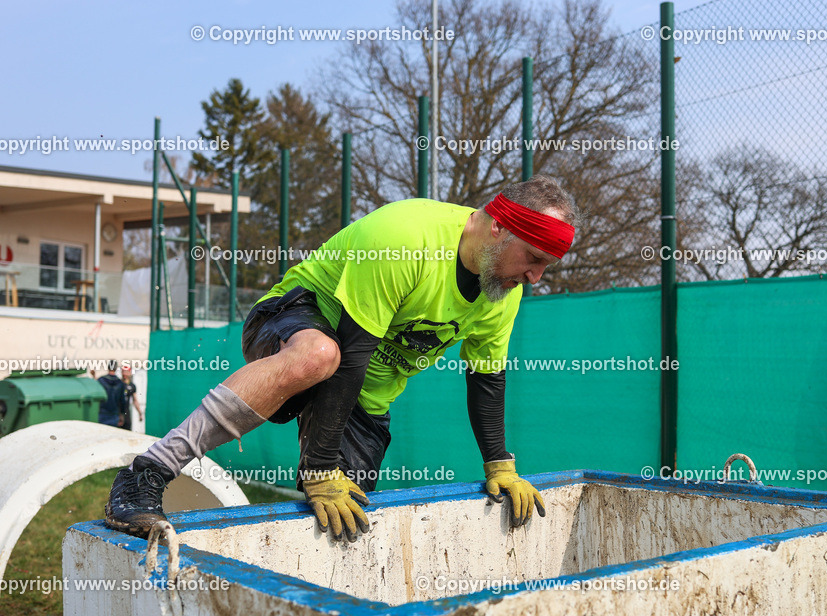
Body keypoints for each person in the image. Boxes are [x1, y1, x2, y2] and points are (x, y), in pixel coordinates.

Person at [105, 175, 579, 541]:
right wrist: (318, 466)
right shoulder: (407, 234)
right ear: (499, 226)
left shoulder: (502, 291)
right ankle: (145, 474)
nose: (536, 277)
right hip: (293, 321)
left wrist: (500, 465)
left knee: (344, 523)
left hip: (362, 396)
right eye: (533, 258)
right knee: (320, 355)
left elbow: (487, 379)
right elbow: (351, 355)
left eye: (546, 267)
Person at [96, 360, 126, 428]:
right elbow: (122, 401)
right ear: (115, 368)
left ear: (108, 367)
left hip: (102, 413)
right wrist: (122, 415)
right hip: (114, 414)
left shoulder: (101, 380)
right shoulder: (120, 383)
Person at [120, 364, 143, 430]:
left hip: (126, 412)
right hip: (118, 412)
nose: (124, 373)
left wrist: (140, 413)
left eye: (126, 371)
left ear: (130, 373)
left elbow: (135, 400)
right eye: (123, 371)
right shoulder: (118, 383)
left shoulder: (132, 386)